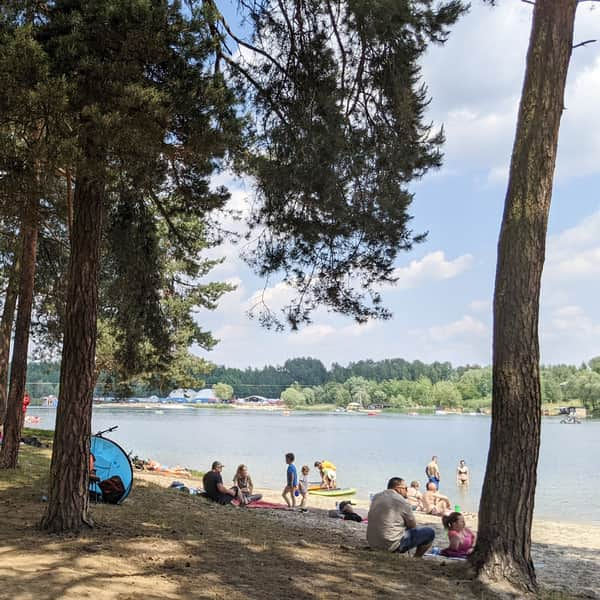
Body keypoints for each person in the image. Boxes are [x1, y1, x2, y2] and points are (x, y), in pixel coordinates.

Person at [367, 477, 435, 557]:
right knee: (430, 532)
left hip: (373, 543)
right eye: (405, 488)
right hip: (390, 545)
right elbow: (413, 525)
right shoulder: (401, 501)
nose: (407, 491)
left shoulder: (376, 497)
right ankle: (417, 557)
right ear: (398, 489)